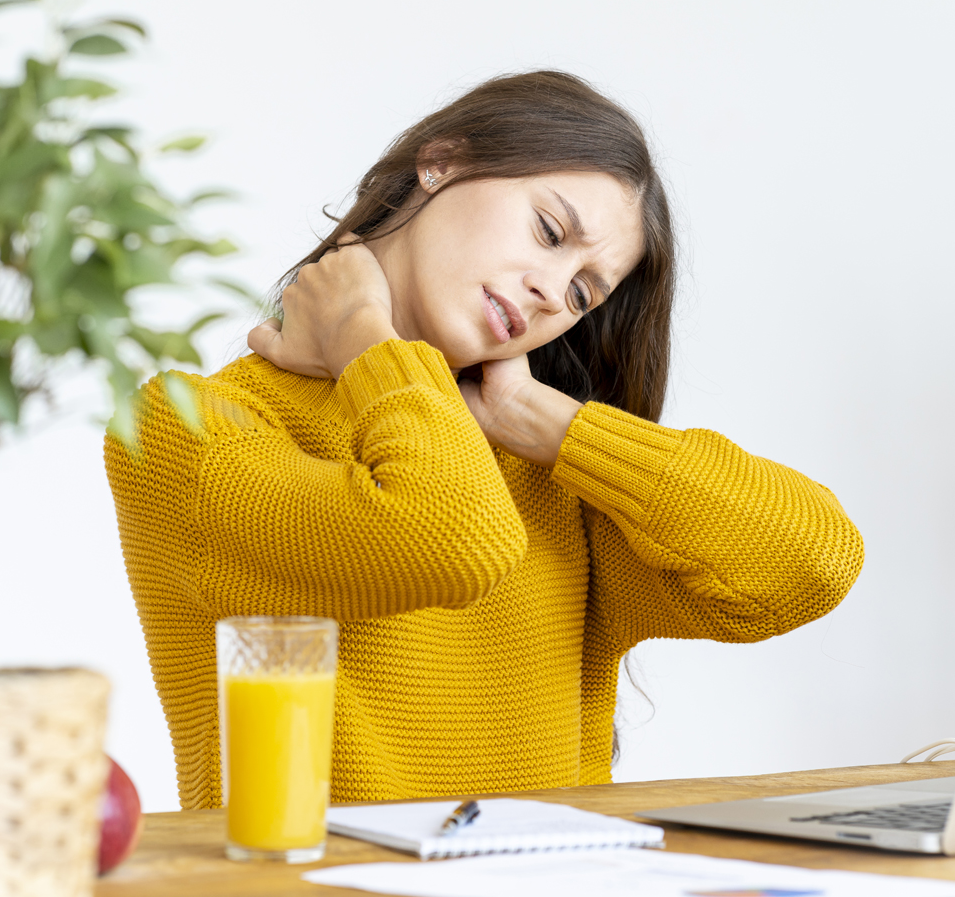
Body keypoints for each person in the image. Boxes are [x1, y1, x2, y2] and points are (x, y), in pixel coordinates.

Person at [105, 71, 865, 810]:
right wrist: (362, 338)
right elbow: (450, 539)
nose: (549, 290)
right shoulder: (192, 427)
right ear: (442, 162)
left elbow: (811, 562)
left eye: (581, 293)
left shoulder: (549, 470)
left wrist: (542, 419)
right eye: (549, 231)